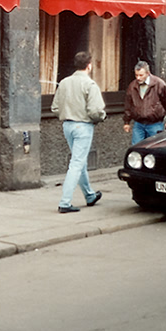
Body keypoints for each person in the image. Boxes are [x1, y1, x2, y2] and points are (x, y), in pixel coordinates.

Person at [51, 51, 106, 213]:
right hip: (83, 126)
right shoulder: (90, 84)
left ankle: (89, 195)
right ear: (89, 66)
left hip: (67, 125)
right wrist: (101, 117)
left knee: (79, 161)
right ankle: (65, 202)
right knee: (76, 163)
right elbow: (96, 110)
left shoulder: (64, 82)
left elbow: (55, 107)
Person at [123, 60, 166, 145]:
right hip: (139, 123)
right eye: (136, 75)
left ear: (148, 73)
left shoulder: (159, 84)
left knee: (156, 147)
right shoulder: (132, 86)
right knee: (136, 148)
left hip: (155, 123)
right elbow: (128, 104)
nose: (138, 78)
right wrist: (126, 122)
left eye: (141, 75)